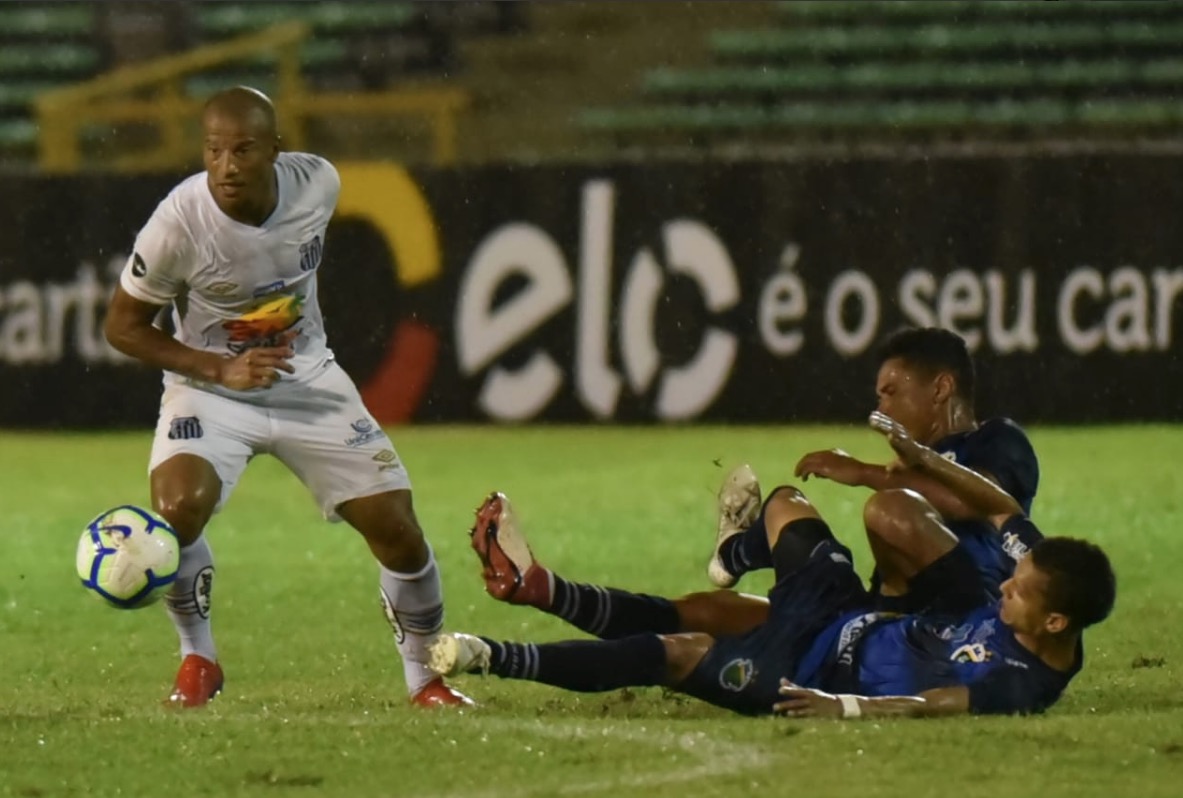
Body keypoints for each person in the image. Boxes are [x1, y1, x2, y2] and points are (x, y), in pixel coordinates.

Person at [103, 86, 470, 708]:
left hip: (308, 380)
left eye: (244, 149)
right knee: (175, 512)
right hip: (212, 388)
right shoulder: (178, 222)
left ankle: (425, 678)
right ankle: (198, 660)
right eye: (214, 150)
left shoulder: (318, 185)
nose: (227, 165)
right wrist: (220, 370)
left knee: (399, 532)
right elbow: (122, 327)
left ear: (276, 148)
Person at [429, 430, 1114, 718]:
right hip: (844, 618)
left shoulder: (1020, 684)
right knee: (787, 506)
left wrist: (839, 707)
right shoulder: (1046, 589)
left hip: (806, 674)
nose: (1004, 588)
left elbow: (926, 708)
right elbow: (998, 507)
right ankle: (730, 552)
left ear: (1053, 622)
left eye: (1017, 593)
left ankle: (493, 656)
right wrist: (921, 460)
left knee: (684, 647)